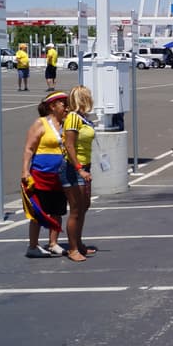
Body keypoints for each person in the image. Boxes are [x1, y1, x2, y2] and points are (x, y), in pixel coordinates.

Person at [21, 91, 69, 257]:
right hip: (40, 174)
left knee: (58, 210)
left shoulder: (66, 124)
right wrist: (25, 171)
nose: (66, 107)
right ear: (52, 106)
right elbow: (29, 148)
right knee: (38, 212)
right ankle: (32, 246)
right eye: (63, 103)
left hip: (59, 175)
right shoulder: (41, 123)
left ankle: (53, 243)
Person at [61, 86, 98, 262]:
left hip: (84, 166)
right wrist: (79, 169)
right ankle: (73, 248)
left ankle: (79, 243)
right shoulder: (73, 118)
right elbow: (69, 145)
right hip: (73, 167)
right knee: (76, 209)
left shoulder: (82, 118)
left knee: (84, 206)